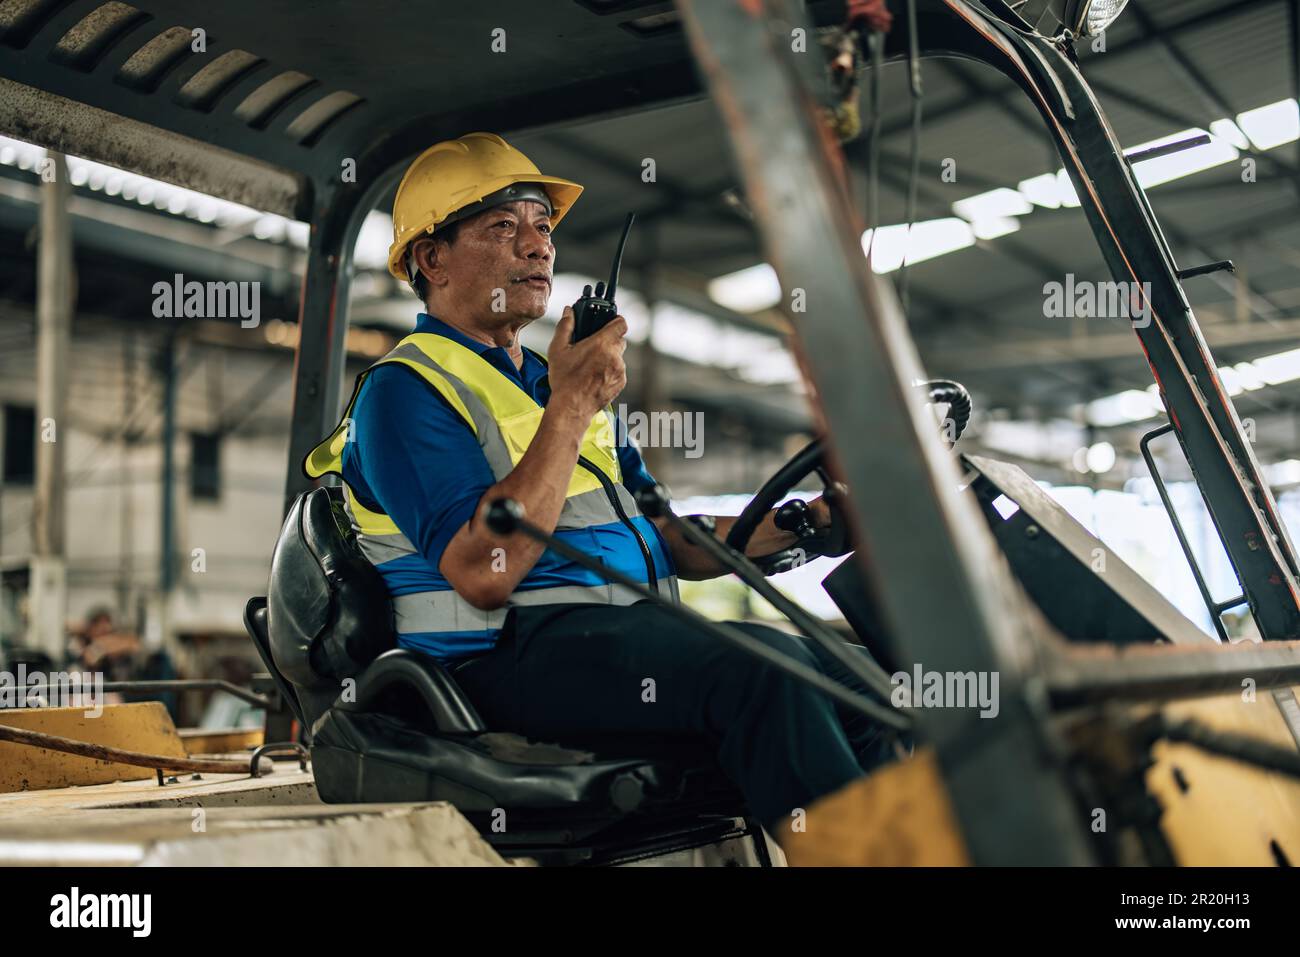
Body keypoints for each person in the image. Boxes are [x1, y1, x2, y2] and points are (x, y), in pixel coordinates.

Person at [304, 132, 900, 840]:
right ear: (432, 258)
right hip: (502, 658)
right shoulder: (406, 390)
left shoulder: (554, 381)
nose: (538, 247)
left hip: (620, 638)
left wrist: (809, 524)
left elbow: (664, 533)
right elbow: (482, 571)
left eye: (543, 226)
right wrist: (573, 404)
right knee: (765, 674)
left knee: (857, 678)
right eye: (504, 226)